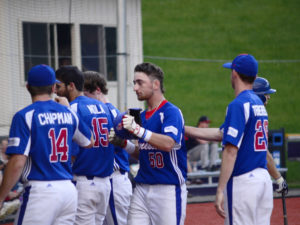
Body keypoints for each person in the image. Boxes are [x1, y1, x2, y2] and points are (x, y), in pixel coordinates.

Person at [0, 64, 94, 225]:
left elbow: (17, 162)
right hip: (68, 190)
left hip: (41, 190)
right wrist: (69, 110)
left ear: (28, 87)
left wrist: (1, 197)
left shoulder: (25, 115)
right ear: (53, 87)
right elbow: (89, 141)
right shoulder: (68, 113)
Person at [186, 54, 274, 224]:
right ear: (254, 77)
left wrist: (220, 189)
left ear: (234, 73)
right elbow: (220, 134)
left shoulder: (238, 104)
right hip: (263, 179)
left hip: (244, 180)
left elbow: (230, 151)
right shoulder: (258, 102)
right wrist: (184, 128)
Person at [111, 62, 187, 225]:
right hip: (142, 187)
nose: (135, 88)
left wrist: (138, 131)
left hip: (167, 188)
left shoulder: (171, 111)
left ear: (156, 84)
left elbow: (168, 143)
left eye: (140, 83)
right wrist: (124, 144)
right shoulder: (142, 115)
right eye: (134, 83)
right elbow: (145, 152)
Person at [55, 66, 115, 225]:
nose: (55, 91)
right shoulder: (102, 106)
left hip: (84, 181)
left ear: (71, 86)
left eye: (59, 86)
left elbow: (72, 153)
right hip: (105, 182)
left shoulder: (72, 108)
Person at [82, 71, 132, 225]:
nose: (83, 99)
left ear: (97, 90)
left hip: (114, 178)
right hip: (115, 179)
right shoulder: (112, 112)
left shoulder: (107, 113)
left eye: (85, 94)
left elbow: (117, 142)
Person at [253, 76, 288, 193]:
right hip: (260, 175)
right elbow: (265, 153)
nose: (268, 97)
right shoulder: (262, 112)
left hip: (249, 176)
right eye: (266, 94)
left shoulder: (250, 110)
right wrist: (279, 178)